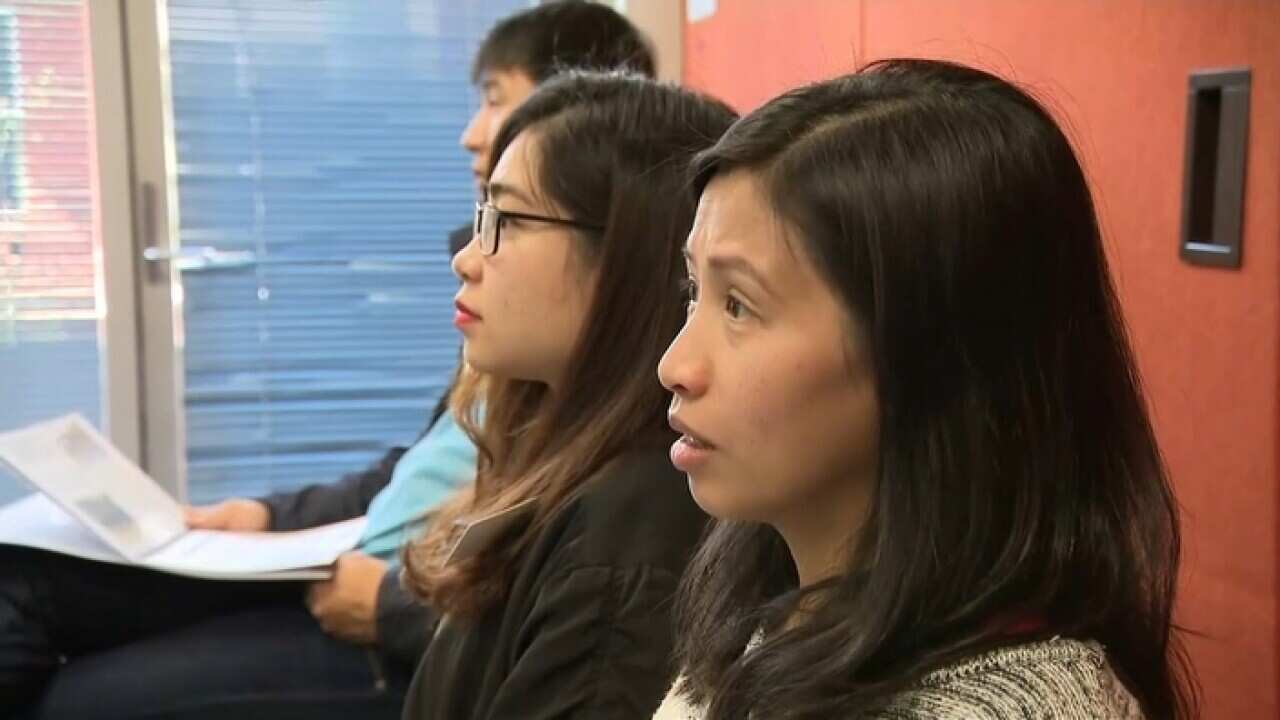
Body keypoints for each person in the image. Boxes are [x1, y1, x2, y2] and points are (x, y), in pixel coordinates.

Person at [0, 3, 657, 718]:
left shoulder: (622, 490)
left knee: (75, 696)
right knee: (21, 581)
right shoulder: (522, 369)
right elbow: (415, 473)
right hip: (350, 572)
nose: (472, 133)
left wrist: (388, 606)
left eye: (495, 98)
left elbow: (517, 619)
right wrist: (267, 515)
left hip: (383, 616)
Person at [652, 58, 1198, 719]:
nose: (675, 365)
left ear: (927, 351)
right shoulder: (772, 600)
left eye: (739, 305)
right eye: (695, 291)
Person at [398, 70, 737, 719]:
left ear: (625, 255)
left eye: (506, 219)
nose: (465, 258)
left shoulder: (628, 534)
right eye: (482, 215)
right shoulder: (563, 461)